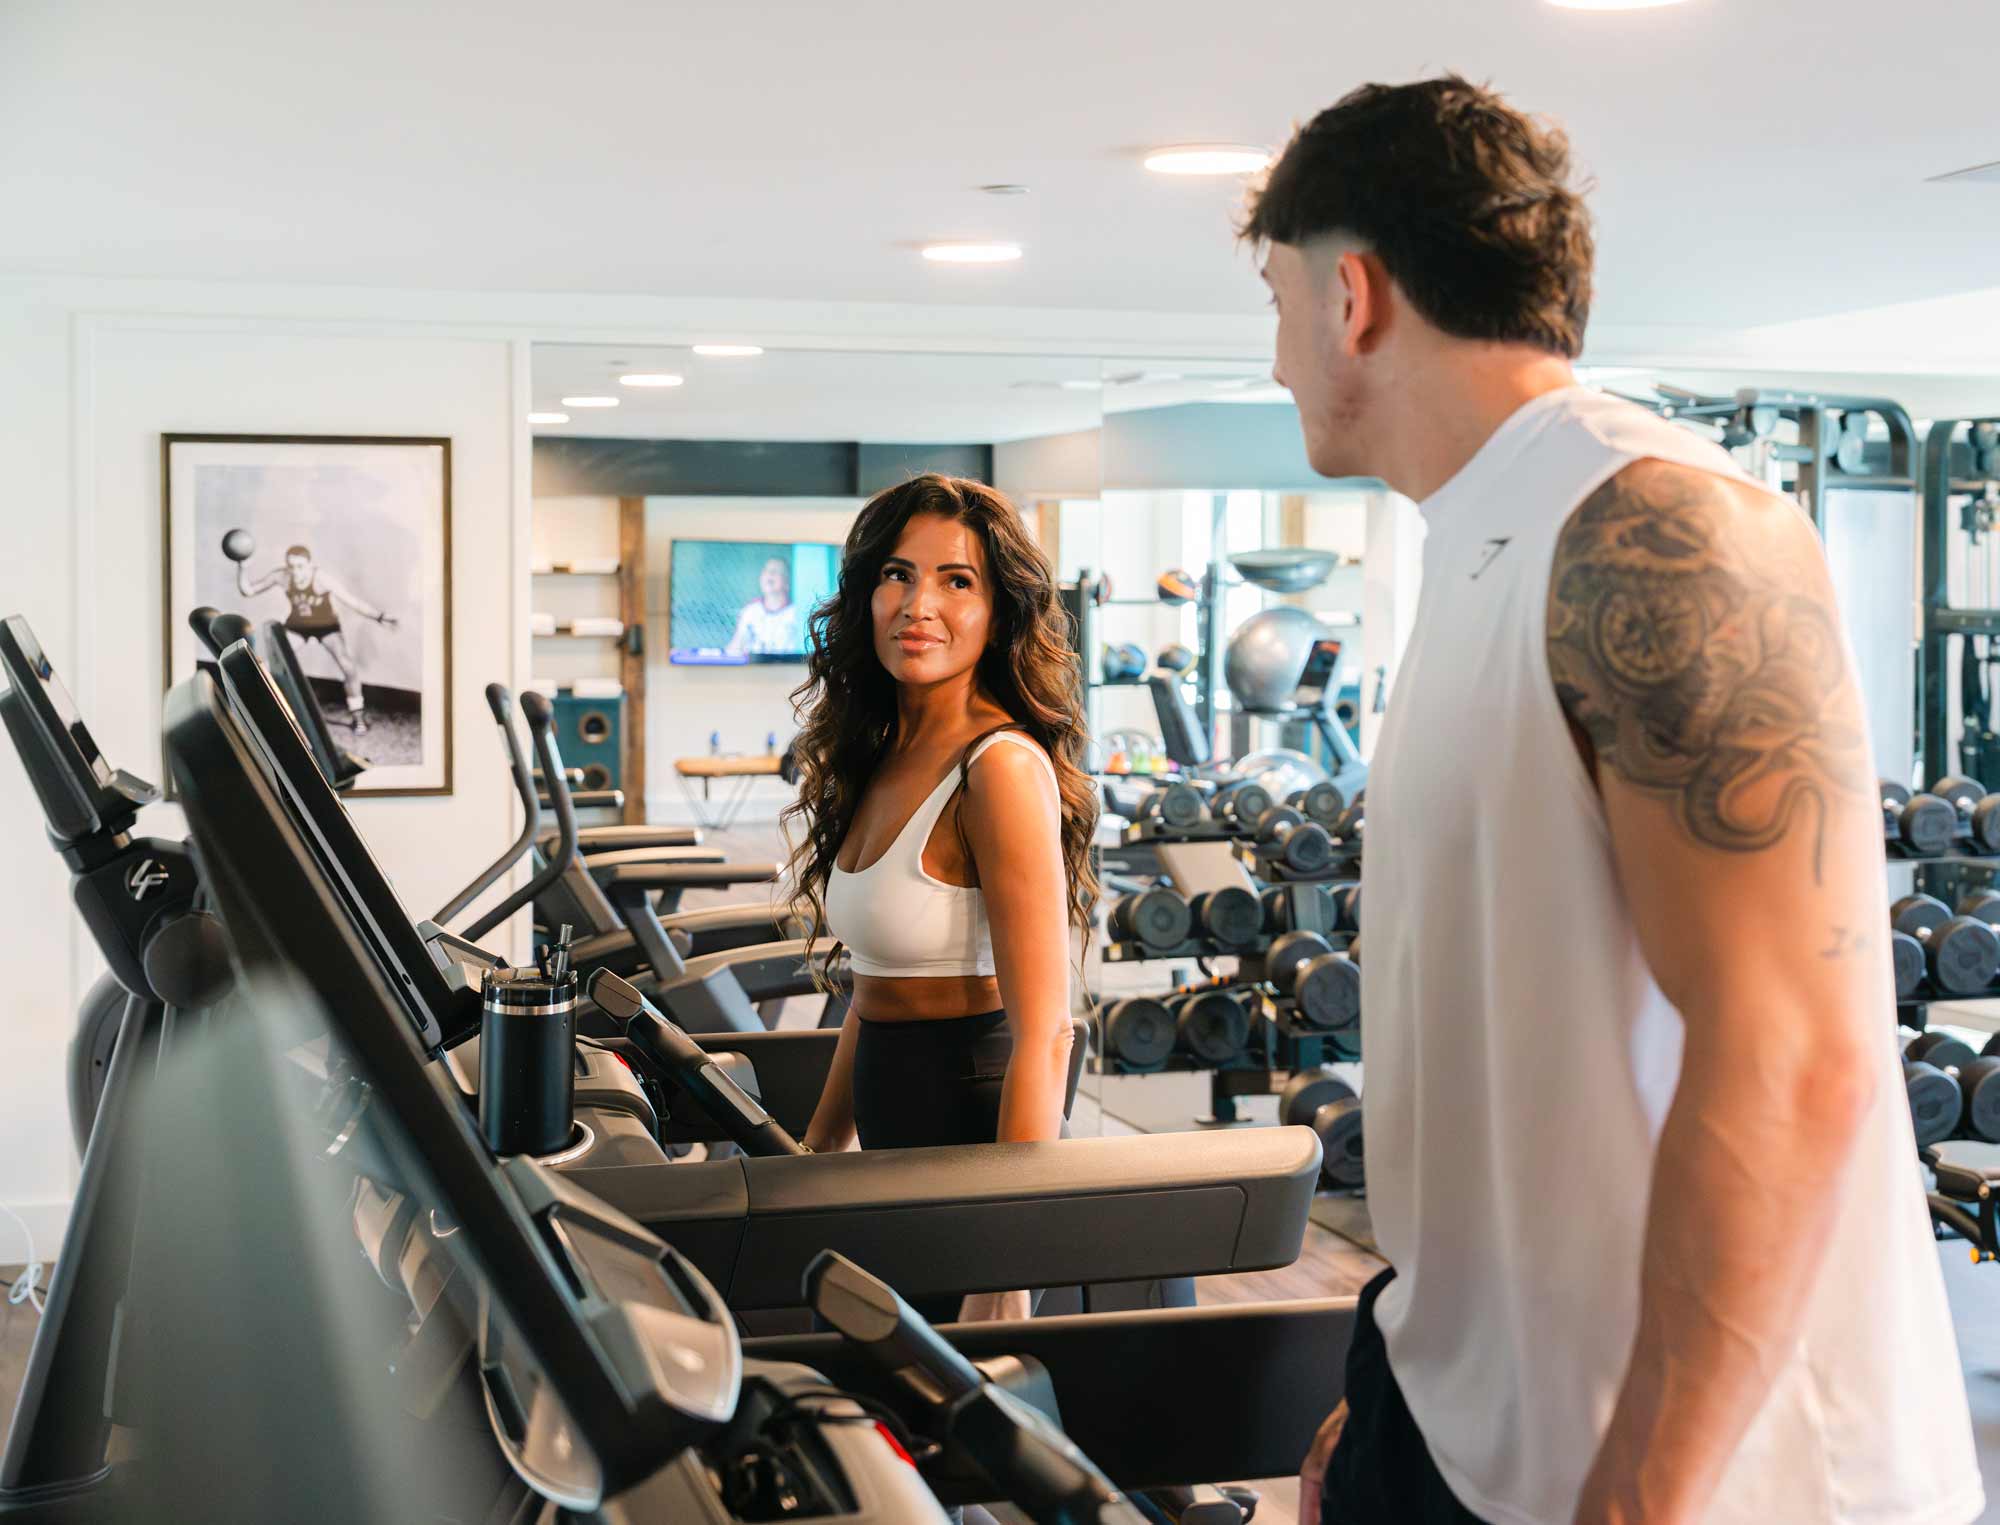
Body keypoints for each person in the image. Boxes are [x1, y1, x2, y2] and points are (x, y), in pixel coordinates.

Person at [1244, 78, 1980, 1525]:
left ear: (1352, 296)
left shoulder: (1653, 525)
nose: (1273, 360)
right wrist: (1422, 1382)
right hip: (1491, 1437)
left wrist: (1644, 1495)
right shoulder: (1474, 545)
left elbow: (1797, 1054)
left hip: (1711, 1483)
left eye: (1274, 301)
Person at [782, 473, 1098, 1323]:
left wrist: (1008, 1264)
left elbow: (1049, 1028)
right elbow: (875, 983)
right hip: (897, 1107)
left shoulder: (997, 767)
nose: (919, 603)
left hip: (977, 1122)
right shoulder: (881, 753)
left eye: (957, 580)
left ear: (1000, 610)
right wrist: (815, 1147)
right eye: (897, 573)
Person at [237, 543, 398, 734]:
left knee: (348, 668)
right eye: (291, 566)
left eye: (300, 566)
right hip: (298, 627)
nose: (295, 572)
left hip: (326, 627)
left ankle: (358, 717)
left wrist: (378, 616)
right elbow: (247, 591)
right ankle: (269, 712)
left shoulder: (321, 578)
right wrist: (242, 567)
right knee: (267, 664)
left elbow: (351, 601)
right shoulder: (282, 576)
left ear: (310, 565)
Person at [727, 555, 802, 657]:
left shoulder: (796, 613)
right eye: (766, 571)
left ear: (787, 582)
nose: (769, 575)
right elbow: (734, 648)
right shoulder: (750, 610)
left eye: (776, 571)